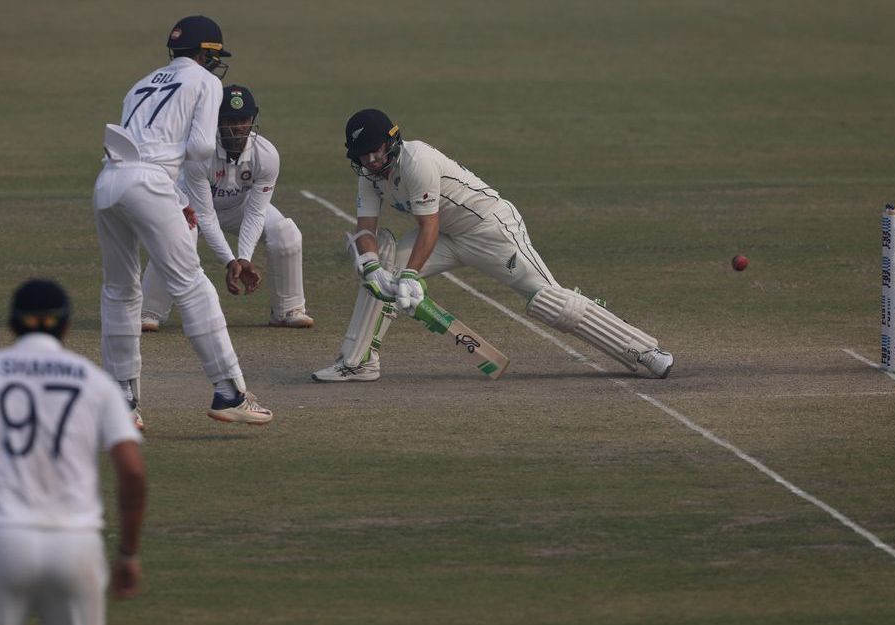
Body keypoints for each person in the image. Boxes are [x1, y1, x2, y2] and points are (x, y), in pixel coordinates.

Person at [312, 109, 673, 382]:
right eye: (363, 156)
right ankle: (358, 363)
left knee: (548, 300)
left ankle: (644, 351)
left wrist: (408, 277)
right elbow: (365, 229)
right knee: (383, 267)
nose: (371, 161)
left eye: (375, 152)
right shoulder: (369, 178)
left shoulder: (417, 160)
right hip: (447, 237)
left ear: (391, 141)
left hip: (490, 230)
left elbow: (429, 226)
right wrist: (373, 268)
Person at [92, 15, 273, 429]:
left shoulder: (140, 83)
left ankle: (121, 402)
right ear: (207, 53)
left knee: (119, 291)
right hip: (149, 182)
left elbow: (137, 146)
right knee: (191, 285)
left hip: (108, 182)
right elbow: (198, 148)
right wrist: (171, 190)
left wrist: (176, 197)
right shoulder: (206, 83)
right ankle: (230, 392)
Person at [0, 279, 146, 625]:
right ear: (67, 326)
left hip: (2, 540)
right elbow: (133, 471)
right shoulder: (96, 381)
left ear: (11, 323)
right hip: (76, 544)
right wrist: (128, 552)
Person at [139, 84, 314, 331]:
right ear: (216, 121)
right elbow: (206, 215)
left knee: (286, 232)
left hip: (240, 208)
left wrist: (244, 258)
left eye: (244, 119)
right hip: (192, 208)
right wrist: (230, 261)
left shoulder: (266, 155)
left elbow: (256, 212)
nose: (239, 126)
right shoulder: (199, 152)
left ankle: (288, 309)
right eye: (230, 120)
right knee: (179, 235)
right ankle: (148, 312)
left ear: (253, 118)